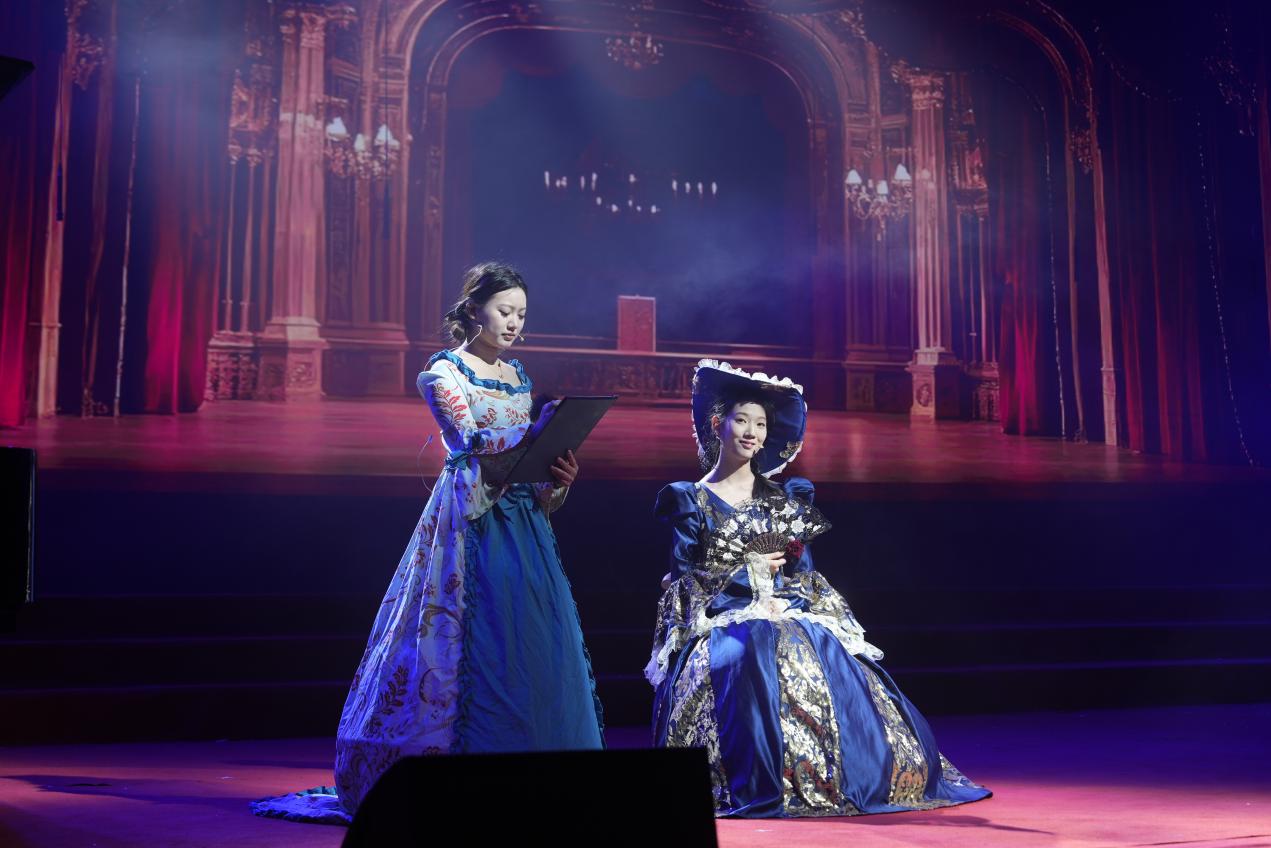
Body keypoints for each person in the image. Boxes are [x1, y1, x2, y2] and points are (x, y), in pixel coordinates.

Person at [253, 262, 603, 824]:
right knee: (466, 639)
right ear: (473, 309)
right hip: (468, 521)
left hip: (521, 526)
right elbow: (470, 442)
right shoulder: (443, 374)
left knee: (531, 642)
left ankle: (537, 776)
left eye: (521, 314)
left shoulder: (517, 377)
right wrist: (533, 436)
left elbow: (530, 474)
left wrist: (556, 475)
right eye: (504, 311)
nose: (514, 323)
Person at [648, 359, 990, 818]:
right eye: (742, 420)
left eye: (760, 424)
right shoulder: (690, 499)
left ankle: (835, 778)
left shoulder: (784, 497)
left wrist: (780, 582)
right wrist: (745, 570)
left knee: (825, 650)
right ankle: (758, 777)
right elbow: (686, 577)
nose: (751, 432)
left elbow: (803, 574)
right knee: (746, 652)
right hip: (723, 614)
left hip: (786, 608)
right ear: (718, 425)